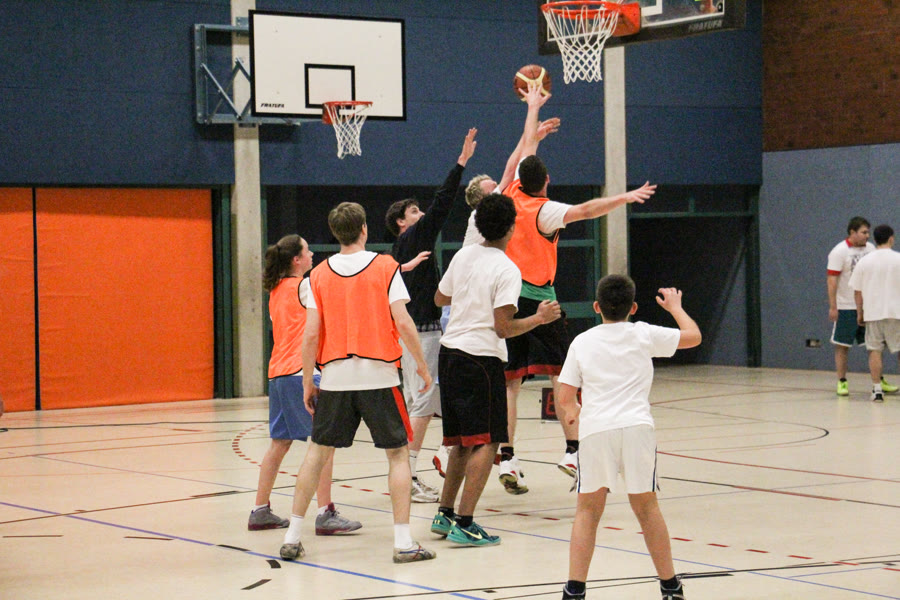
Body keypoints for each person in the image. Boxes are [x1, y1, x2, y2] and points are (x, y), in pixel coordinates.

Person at [470, 83, 656, 493]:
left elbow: (525, 150)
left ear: (521, 178)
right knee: (562, 373)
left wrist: (532, 109)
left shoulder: (510, 195)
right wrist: (625, 196)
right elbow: (588, 210)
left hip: (507, 298)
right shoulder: (546, 210)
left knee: (510, 383)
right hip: (540, 299)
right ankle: (573, 451)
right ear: (548, 180)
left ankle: (508, 457)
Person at [280, 202, 437, 564]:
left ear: (336, 233)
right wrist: (422, 366)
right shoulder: (386, 267)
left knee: (316, 454)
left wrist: (308, 381)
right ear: (364, 229)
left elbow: (310, 334)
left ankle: (292, 536)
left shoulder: (317, 275)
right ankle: (403, 542)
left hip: (335, 378)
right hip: (380, 376)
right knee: (397, 456)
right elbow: (404, 322)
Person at [554, 275, 701, 600]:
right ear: (633, 308)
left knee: (587, 511)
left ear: (596, 307)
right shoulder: (643, 333)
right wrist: (675, 308)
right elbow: (694, 337)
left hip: (596, 431)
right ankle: (670, 587)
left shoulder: (582, 341)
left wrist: (574, 411)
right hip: (637, 429)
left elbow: (564, 397)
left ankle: (574, 591)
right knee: (647, 509)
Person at [431, 193, 561, 546]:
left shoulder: (463, 255)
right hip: (480, 359)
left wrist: (468, 294)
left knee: (460, 442)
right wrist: (539, 318)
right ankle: (465, 522)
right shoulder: (507, 269)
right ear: (511, 229)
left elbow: (440, 298)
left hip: (449, 355)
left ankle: (444, 514)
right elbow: (503, 327)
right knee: (488, 442)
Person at [385, 128, 478, 503]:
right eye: (414, 212)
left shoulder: (403, 247)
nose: (421, 214)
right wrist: (461, 163)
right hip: (420, 334)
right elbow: (442, 203)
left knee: (425, 402)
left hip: (419, 332)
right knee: (422, 404)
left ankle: (424, 461)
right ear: (402, 222)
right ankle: (408, 473)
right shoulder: (413, 238)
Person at [249, 235, 362, 535]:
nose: (312, 253)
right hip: (301, 374)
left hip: (278, 374)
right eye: (307, 250)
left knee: (279, 443)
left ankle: (260, 510)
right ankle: (325, 513)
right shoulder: (304, 286)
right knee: (324, 445)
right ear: (296, 260)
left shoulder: (276, 289)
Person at [826, 217, 898, 396]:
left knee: (874, 347)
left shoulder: (871, 250)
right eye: (864, 232)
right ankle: (842, 381)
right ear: (852, 232)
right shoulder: (839, 252)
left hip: (869, 307)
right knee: (842, 345)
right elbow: (832, 280)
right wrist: (833, 306)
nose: (867, 236)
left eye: (868, 232)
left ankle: (878, 381)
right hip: (846, 305)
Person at [849, 224, 900, 403]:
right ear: (891, 238)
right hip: (897, 312)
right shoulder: (898, 259)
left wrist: (859, 312)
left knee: (875, 351)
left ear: (874, 239)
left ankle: (877, 389)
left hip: (873, 312)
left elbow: (857, 291)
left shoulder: (865, 261)